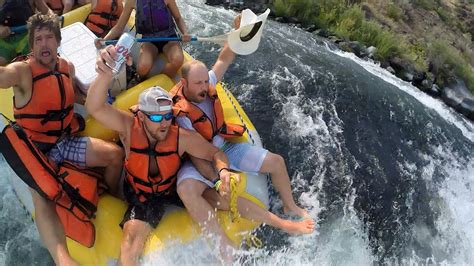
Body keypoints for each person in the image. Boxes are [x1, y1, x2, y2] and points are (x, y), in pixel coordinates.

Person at [170, 14, 314, 259]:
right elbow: (196, 156)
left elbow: (225, 57)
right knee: (187, 189)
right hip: (199, 159)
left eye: (206, 81)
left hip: (225, 147)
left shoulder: (208, 84)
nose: (205, 87)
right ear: (184, 83)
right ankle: (225, 248)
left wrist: (237, 32)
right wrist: (218, 178)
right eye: (198, 84)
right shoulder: (180, 112)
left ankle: (290, 206)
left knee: (276, 162)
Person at [86, 44, 239, 265]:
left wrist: (224, 171)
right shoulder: (128, 126)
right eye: (157, 118)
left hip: (171, 187)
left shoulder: (179, 136)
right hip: (142, 196)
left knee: (225, 201)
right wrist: (105, 74)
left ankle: (238, 246)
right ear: (143, 116)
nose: (164, 123)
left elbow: (215, 153)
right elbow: (95, 106)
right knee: (129, 242)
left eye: (167, 116)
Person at [0, 13, 123, 265]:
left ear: (57, 41)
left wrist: (106, 99)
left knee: (115, 155)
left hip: (64, 141)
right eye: (38, 39)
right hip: (35, 151)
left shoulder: (67, 68)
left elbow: (76, 98)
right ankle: (62, 259)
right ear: (32, 46)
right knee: (43, 196)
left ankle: (114, 197)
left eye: (49, 38)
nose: (44, 44)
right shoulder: (21, 72)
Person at [101, 0, 191, 79]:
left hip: (169, 38)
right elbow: (119, 27)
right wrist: (104, 40)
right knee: (142, 67)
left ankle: (160, 82)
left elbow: (178, 18)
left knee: (177, 59)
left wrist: (185, 33)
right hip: (149, 41)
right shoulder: (132, 1)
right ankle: (139, 79)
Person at [0, 0, 52, 66]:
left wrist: (48, 20)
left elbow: (47, 13)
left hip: (28, 36)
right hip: (4, 41)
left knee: (36, 58)